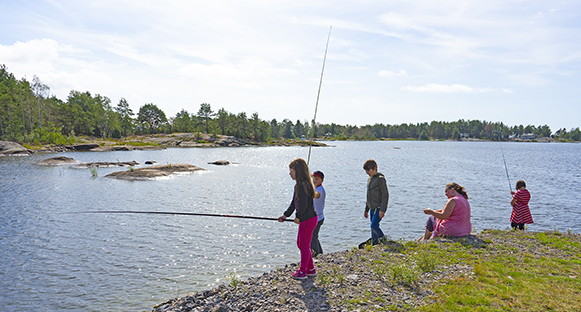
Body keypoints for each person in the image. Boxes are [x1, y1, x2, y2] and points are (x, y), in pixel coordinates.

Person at [278, 158, 318, 280]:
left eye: (291, 170)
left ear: (298, 171)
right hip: (307, 219)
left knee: (304, 245)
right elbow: (294, 203)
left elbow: (304, 204)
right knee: (301, 244)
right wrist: (285, 215)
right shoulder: (299, 185)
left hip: (308, 219)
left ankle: (302, 272)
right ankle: (310, 269)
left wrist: (298, 217)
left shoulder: (303, 185)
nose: (290, 173)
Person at [363, 159, 389, 245]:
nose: (367, 172)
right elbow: (369, 196)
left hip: (378, 207)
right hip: (371, 207)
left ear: (375, 168)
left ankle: (384, 241)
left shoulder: (380, 179)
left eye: (368, 170)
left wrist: (382, 210)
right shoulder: (369, 179)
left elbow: (385, 195)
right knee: (373, 228)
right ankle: (375, 244)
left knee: (374, 225)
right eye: (366, 171)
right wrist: (366, 209)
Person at [310, 170, 326, 257]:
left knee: (312, 237)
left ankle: (315, 255)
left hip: (317, 218)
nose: (314, 180)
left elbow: (317, 194)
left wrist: (309, 193)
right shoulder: (315, 188)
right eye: (313, 178)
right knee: (314, 236)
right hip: (318, 217)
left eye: (317, 179)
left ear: (322, 180)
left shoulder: (319, 189)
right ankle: (320, 254)